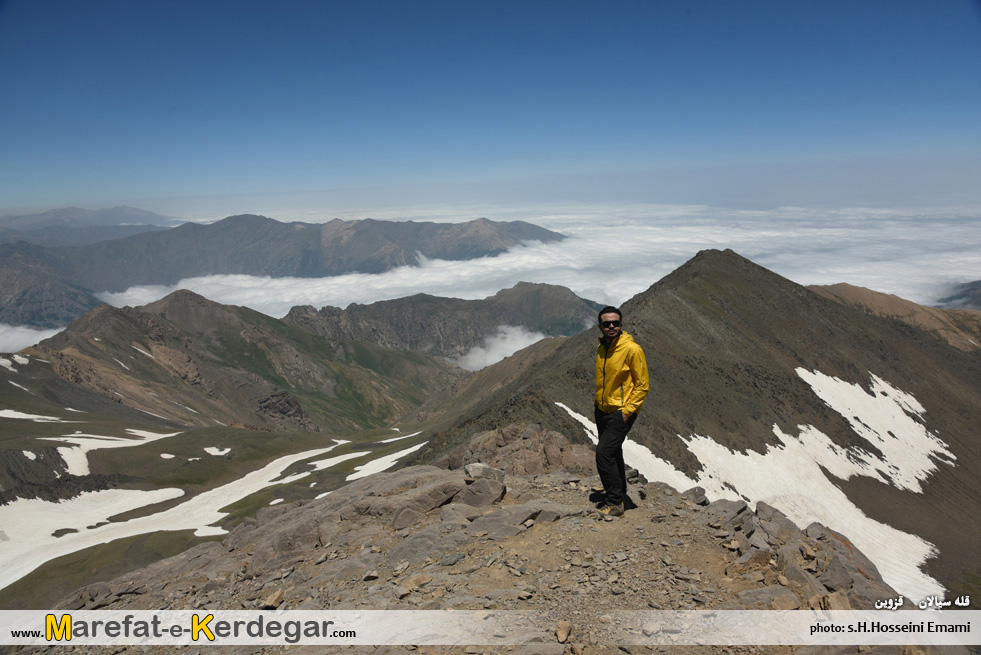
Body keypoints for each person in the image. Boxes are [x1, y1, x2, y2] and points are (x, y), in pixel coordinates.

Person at [593, 306, 649, 516]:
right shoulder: (602, 348)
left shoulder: (632, 349)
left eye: (615, 323)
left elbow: (643, 384)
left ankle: (615, 503)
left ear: (621, 325)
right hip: (602, 409)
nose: (611, 326)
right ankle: (621, 493)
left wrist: (628, 411)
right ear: (600, 326)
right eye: (607, 323)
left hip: (621, 411)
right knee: (614, 452)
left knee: (603, 453)